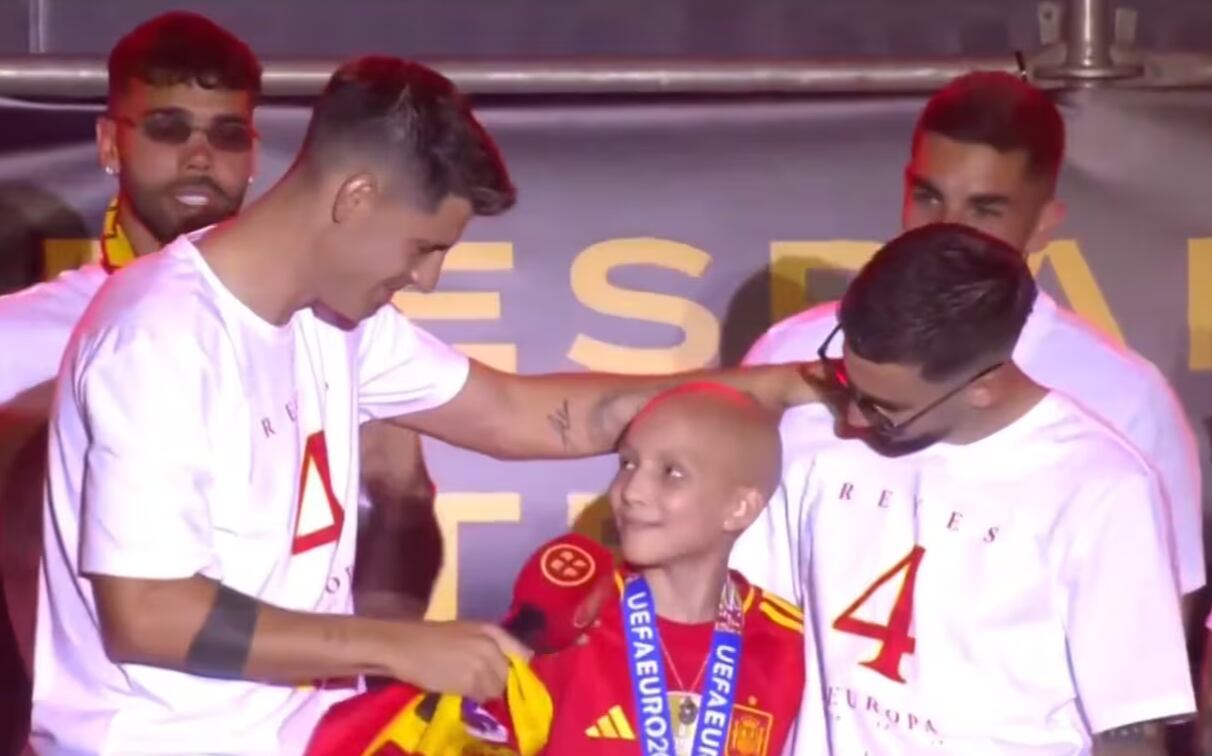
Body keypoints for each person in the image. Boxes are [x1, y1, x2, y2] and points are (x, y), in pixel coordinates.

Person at [32, 56, 816, 755]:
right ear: (356, 197)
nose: (428, 279)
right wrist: (396, 645)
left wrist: (782, 387)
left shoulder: (335, 321)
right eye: (424, 247)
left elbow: (519, 414)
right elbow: (149, 613)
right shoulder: (162, 337)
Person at [0, 8, 442, 693]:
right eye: (168, 128)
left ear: (255, 155)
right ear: (110, 143)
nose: (201, 155)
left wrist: (378, 675)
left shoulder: (332, 319)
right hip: (112, 724)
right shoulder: (17, 336)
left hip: (299, 727)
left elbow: (404, 502)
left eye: (228, 134)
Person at [736, 71, 1203, 612]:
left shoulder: (1126, 399)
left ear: (1043, 224)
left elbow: (1154, 625)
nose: (945, 229)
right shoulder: (789, 351)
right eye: (928, 197)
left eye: (985, 209)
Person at [758, 223, 1193, 754]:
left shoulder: (1101, 489)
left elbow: (1131, 729)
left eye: (885, 410)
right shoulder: (810, 432)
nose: (850, 419)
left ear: (984, 387)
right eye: (846, 381)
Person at [525, 383, 813, 755]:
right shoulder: (568, 620)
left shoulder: (792, 647)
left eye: (671, 472)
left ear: (739, 508)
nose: (632, 491)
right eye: (627, 463)